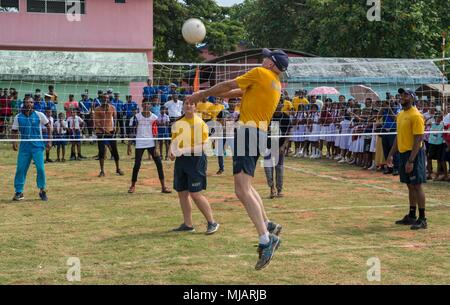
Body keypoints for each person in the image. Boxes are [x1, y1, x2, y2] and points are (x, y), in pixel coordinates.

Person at [186, 48, 287, 270]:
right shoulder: (274, 83)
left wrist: (199, 95)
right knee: (247, 187)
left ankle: (265, 239)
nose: (263, 58)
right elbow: (233, 93)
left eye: (266, 57)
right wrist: (215, 94)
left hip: (248, 132)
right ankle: (268, 224)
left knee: (241, 190)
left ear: (271, 64)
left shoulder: (261, 73)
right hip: (259, 133)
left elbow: (228, 85)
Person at [169, 98, 219, 235]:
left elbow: (203, 146)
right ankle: (188, 224)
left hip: (196, 161)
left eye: (191, 103)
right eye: (186, 103)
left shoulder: (200, 123)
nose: (189, 105)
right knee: (182, 193)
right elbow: (174, 141)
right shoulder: (178, 123)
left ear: (196, 107)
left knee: (195, 194)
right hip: (181, 161)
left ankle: (212, 222)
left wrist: (183, 150)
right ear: (183, 106)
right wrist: (171, 152)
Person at [387, 89, 427, 230]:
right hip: (404, 154)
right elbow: (399, 137)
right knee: (409, 185)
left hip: (414, 154)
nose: (402, 97)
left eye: (405, 95)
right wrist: (391, 154)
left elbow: (418, 139)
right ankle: (411, 215)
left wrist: (411, 160)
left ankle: (423, 219)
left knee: (417, 185)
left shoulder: (416, 116)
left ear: (412, 98)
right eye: (401, 95)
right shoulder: (401, 114)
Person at [11, 96, 52, 201]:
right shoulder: (18, 117)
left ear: (34, 104)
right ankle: (19, 192)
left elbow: (49, 126)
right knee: (20, 169)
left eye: (31, 102)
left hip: (37, 146)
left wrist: (49, 140)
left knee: (40, 168)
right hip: (24, 146)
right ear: (24, 103)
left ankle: (42, 190)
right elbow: (14, 131)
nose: (29, 104)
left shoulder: (39, 115)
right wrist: (14, 142)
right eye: (27, 102)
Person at [128, 99, 171, 194]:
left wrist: (156, 147)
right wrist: (129, 145)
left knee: (159, 164)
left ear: (151, 105)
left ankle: (163, 187)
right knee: (137, 165)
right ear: (142, 105)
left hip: (151, 143)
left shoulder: (154, 117)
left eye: (149, 104)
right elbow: (132, 131)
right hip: (139, 143)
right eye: (145, 104)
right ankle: (132, 186)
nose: (147, 105)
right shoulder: (136, 117)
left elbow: (155, 133)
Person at [264, 101, 291, 198]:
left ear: (282, 105)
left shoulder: (286, 117)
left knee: (279, 168)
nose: (278, 106)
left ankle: (279, 189)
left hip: (279, 146)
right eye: (276, 103)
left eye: (280, 104)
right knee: (268, 168)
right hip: (268, 145)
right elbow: (262, 131)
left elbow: (289, 132)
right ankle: (272, 188)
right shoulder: (268, 116)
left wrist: (284, 146)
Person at [93, 93, 124, 177]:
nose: (105, 100)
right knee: (102, 152)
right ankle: (102, 171)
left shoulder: (112, 108)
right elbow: (97, 122)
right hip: (101, 133)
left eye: (107, 98)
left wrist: (116, 128)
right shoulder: (97, 109)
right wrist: (105, 130)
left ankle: (118, 169)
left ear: (109, 99)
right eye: (103, 98)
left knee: (115, 151)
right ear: (101, 99)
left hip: (110, 132)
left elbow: (115, 118)